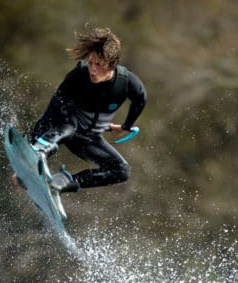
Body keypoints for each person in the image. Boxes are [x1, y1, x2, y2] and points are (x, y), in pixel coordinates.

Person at [21, 26, 147, 216]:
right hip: (60, 127)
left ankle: (62, 183)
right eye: (91, 63)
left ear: (111, 64)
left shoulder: (127, 82)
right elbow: (54, 108)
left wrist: (126, 126)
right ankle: (40, 150)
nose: (93, 70)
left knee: (122, 170)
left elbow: (140, 100)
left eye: (99, 65)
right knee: (69, 125)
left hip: (87, 138)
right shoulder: (79, 75)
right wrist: (32, 152)